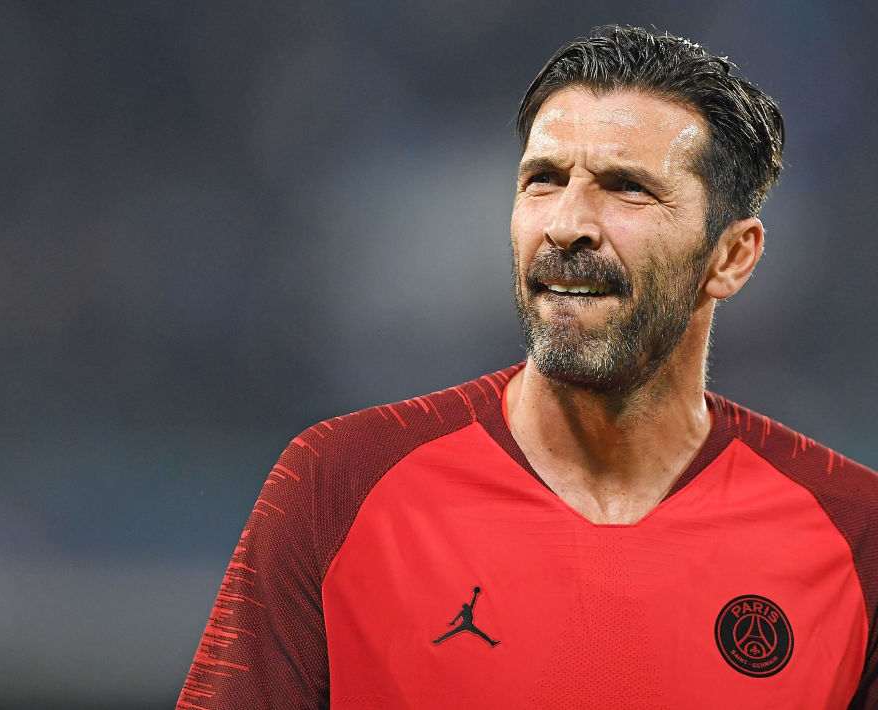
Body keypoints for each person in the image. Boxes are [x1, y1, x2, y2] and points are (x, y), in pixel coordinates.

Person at [177, 25, 878, 709]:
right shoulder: (338, 486)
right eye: (543, 180)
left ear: (732, 257)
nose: (566, 222)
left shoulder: (855, 536)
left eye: (627, 188)